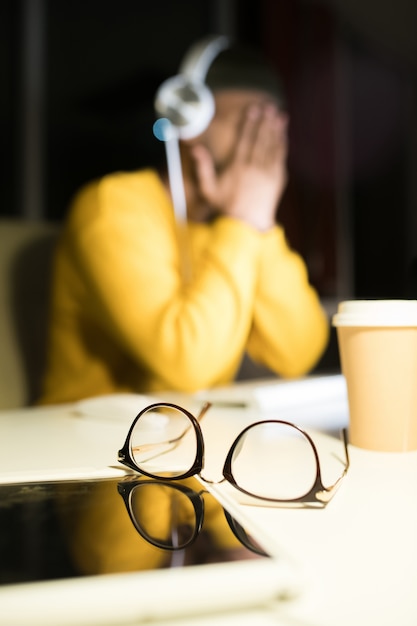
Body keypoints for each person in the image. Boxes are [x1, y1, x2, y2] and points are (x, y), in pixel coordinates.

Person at [38, 36, 328, 406]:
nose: (263, 146)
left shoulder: (236, 226)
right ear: (190, 120)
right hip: (81, 445)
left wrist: (259, 222)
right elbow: (187, 367)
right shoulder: (112, 206)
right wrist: (242, 220)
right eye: (250, 124)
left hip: (188, 442)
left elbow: (298, 353)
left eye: (274, 129)